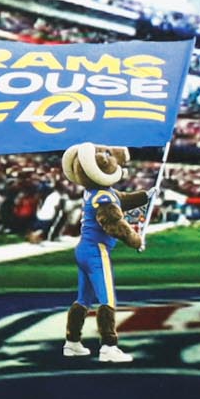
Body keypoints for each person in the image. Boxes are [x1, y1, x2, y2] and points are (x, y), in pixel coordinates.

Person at [59, 142, 148, 364]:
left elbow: (122, 199)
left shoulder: (96, 191)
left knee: (84, 299)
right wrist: (135, 240)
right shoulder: (103, 197)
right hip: (96, 251)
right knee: (107, 299)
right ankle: (109, 346)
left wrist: (145, 196)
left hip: (84, 249)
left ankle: (72, 342)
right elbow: (113, 224)